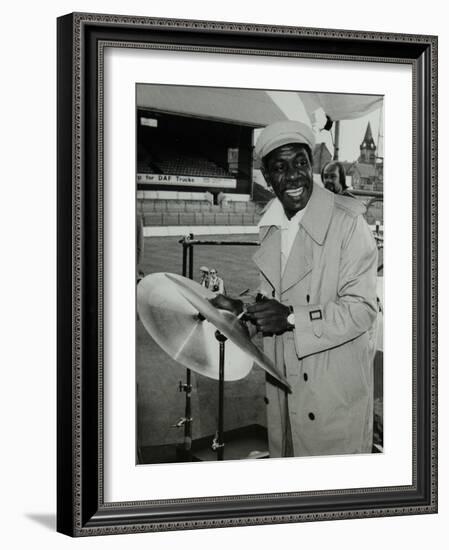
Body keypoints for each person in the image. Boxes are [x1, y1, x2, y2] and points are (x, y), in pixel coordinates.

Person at [211, 120, 378, 458]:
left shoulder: (348, 223)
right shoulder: (271, 225)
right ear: (266, 177)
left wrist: (290, 319)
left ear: (311, 165)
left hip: (332, 397)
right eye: (280, 168)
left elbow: (362, 309)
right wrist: (243, 309)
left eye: (300, 163)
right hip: (284, 391)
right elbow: (277, 301)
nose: (293, 176)